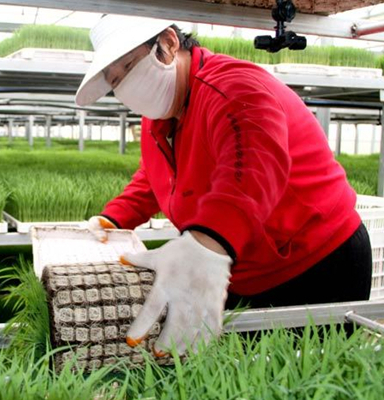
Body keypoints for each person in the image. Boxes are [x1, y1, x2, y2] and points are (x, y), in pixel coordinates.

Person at [76, 15, 372, 357]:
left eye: (127, 67)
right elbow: (157, 177)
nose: (125, 85)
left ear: (168, 44)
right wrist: (114, 219)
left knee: (307, 378)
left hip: (316, 264)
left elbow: (251, 168)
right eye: (115, 81)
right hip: (242, 270)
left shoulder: (233, 85)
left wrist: (205, 246)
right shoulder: (159, 118)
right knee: (242, 378)